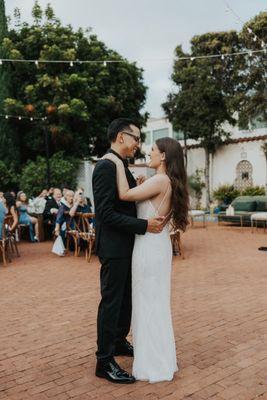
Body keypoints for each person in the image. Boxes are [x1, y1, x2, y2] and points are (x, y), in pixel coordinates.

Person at [103, 136, 189, 383]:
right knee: (154, 302)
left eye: (152, 150)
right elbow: (145, 201)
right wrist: (142, 184)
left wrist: (117, 162)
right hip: (155, 246)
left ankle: (152, 364)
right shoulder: (163, 180)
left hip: (148, 248)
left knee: (148, 303)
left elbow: (124, 194)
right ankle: (158, 357)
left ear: (163, 156)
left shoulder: (160, 180)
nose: (148, 153)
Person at [92, 118, 166, 384]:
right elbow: (106, 214)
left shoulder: (121, 165)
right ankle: (104, 360)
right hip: (113, 245)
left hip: (127, 244)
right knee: (111, 301)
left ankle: (119, 340)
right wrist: (144, 225)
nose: (138, 143)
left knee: (126, 299)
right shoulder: (104, 166)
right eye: (136, 137)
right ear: (121, 137)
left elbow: (125, 201)